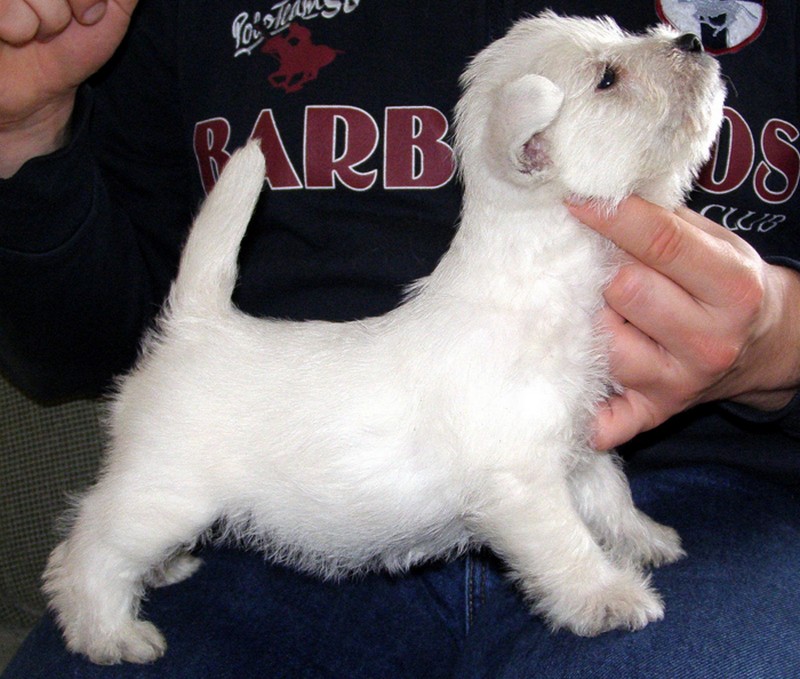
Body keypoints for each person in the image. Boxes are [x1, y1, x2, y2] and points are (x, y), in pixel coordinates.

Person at [1, 0, 798, 676]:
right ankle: (91, 582)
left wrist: (779, 343)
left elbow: (565, 442)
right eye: (609, 79)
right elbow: (513, 479)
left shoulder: (519, 327)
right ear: (533, 151)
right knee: (155, 504)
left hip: (727, 499)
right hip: (238, 456)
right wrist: (590, 587)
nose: (670, 50)